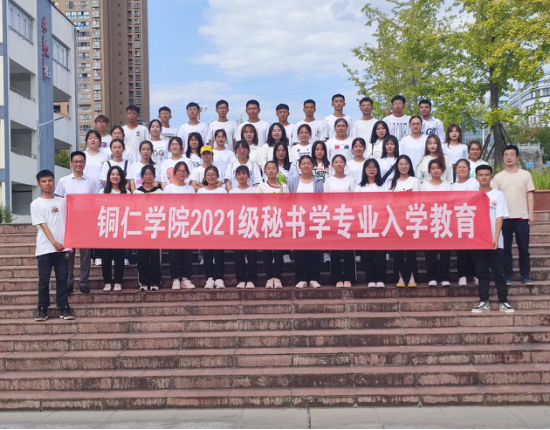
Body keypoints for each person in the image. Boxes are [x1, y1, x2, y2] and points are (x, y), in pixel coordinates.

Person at [32, 170, 74, 322]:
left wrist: (65, 243)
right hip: (45, 248)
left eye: (50, 180)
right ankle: (42, 309)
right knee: (44, 280)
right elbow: (43, 225)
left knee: (62, 279)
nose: (47, 184)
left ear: (54, 182)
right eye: (44, 181)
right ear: (39, 184)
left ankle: (64, 307)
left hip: (63, 247)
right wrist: (54, 243)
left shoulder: (63, 201)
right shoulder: (36, 204)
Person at [471, 165, 515, 314]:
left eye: (486, 174)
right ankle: (484, 301)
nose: (484, 177)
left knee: (498, 272)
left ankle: (504, 301)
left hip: (495, 241)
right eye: (481, 175)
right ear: (476, 177)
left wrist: (495, 237)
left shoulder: (498, 195)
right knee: (482, 273)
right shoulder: (472, 195)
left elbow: (499, 217)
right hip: (477, 241)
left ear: (491, 177)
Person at [55, 151, 98, 294]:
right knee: (68, 254)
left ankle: (84, 282)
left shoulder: (91, 182)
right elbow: (58, 200)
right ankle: (69, 282)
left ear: (85, 163)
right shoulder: (64, 181)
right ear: (71, 163)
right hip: (69, 222)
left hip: (86, 222)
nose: (78, 164)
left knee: (86, 255)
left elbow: (95, 202)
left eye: (81, 161)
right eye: (75, 161)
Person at [493, 145, 536, 286]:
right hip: (504, 218)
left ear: (517, 157)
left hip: (522, 217)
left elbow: (530, 195)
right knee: (506, 249)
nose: (509, 157)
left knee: (524, 248)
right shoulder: (498, 177)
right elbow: (495, 198)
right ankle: (508, 275)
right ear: (503, 158)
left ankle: (525, 274)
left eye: (512, 154)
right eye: (506, 155)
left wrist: (531, 214)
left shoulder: (525, 175)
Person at [288, 156, 324, 289]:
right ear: (299, 166)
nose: (306, 166)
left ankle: (314, 278)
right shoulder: (293, 181)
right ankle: (301, 278)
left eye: (309, 163)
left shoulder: (318, 181)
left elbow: (321, 199)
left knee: (315, 250)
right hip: (298, 219)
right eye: (303, 164)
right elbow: (289, 198)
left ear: (313, 165)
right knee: (300, 250)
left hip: (314, 218)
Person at [325, 155, 357, 288]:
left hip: (348, 216)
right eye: (336, 162)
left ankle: (349, 277)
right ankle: (337, 277)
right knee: (335, 249)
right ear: (332, 165)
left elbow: (355, 198)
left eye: (341, 162)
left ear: (345, 164)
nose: (339, 164)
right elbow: (326, 199)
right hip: (334, 217)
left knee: (349, 249)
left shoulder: (351, 180)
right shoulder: (328, 181)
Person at [163, 161, 196, 290]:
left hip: (187, 224)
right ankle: (175, 278)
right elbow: (165, 206)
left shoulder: (190, 189)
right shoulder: (169, 188)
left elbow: (193, 206)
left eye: (184, 171)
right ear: (174, 173)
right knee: (174, 253)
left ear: (187, 173)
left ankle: (185, 278)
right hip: (173, 224)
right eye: (179, 171)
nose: (182, 173)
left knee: (187, 253)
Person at [390, 155, 420, 288]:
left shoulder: (415, 181)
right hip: (396, 220)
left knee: (411, 251)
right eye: (401, 164)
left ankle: (411, 276)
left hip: (411, 219)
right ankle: (400, 277)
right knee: (398, 251)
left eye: (406, 164)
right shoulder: (391, 182)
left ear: (410, 166)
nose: (403, 166)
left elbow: (418, 199)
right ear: (397, 166)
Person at [256, 161, 288, 289]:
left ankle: (277, 276)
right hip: (265, 221)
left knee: (279, 251)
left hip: (279, 220)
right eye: (268, 169)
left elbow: (287, 204)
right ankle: (269, 277)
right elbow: (257, 204)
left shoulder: (283, 186)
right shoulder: (261, 187)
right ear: (264, 172)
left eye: (273, 168)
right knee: (267, 251)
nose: (271, 171)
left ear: (277, 171)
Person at [355, 159, 387, 288]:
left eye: (374, 167)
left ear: (378, 170)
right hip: (365, 223)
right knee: (367, 253)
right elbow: (356, 204)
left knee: (380, 252)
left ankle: (381, 278)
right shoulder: (359, 187)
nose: (371, 169)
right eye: (368, 167)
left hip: (379, 222)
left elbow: (387, 203)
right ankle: (370, 279)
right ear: (364, 170)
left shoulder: (383, 186)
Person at [421, 159, 452, 288]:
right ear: (429, 171)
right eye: (433, 168)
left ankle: (444, 277)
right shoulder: (424, 185)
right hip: (429, 221)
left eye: (438, 168)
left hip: (444, 220)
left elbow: (451, 202)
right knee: (430, 251)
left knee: (445, 251)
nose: (435, 170)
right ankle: (432, 277)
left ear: (442, 170)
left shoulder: (448, 185)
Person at [133, 165, 163, 292]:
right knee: (142, 257)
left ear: (154, 176)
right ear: (142, 177)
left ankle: (155, 282)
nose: (148, 176)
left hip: (155, 228)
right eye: (146, 174)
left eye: (151, 174)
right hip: (141, 229)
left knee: (155, 257)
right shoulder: (137, 193)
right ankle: (143, 282)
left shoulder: (159, 192)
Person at [198, 166, 227, 289]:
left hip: (219, 226)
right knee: (207, 253)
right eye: (208, 175)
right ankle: (209, 278)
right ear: (205, 177)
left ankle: (219, 277)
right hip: (205, 226)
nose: (211, 177)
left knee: (219, 253)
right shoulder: (200, 191)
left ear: (217, 176)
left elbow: (225, 207)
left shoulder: (222, 191)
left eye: (213, 174)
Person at [229, 166, 258, 289]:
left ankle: (251, 278)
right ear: (236, 176)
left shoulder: (254, 190)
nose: (241, 176)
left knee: (252, 254)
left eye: (244, 174)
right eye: (239, 174)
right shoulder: (232, 192)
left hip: (251, 224)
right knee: (238, 254)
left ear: (248, 176)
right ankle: (241, 279)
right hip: (238, 225)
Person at [452, 159, 479, 287]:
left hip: (474, 219)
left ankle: (476, 275)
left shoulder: (475, 182)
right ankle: (462, 275)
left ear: (469, 169)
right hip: (459, 220)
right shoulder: (452, 186)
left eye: (464, 167)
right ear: (455, 170)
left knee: (475, 250)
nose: (462, 169)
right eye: (459, 167)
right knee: (462, 250)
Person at [101, 166, 128, 292]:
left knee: (119, 256)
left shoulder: (126, 193)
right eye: (112, 174)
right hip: (106, 228)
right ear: (109, 176)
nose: (115, 176)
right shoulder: (103, 192)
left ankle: (118, 281)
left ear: (121, 177)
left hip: (120, 228)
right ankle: (107, 281)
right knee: (106, 257)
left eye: (117, 174)